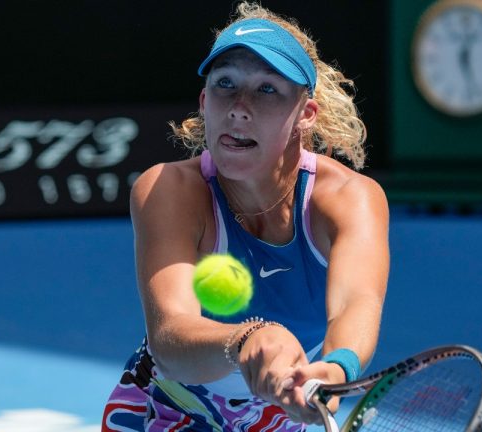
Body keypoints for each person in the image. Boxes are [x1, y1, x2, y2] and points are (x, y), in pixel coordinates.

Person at [102, 2, 389, 431]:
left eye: (267, 89)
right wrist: (244, 340)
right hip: (175, 401)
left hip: (281, 406)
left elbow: (355, 302)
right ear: (204, 101)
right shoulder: (168, 190)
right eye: (225, 84)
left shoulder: (351, 198)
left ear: (305, 115)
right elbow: (169, 336)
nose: (239, 106)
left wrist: (333, 371)